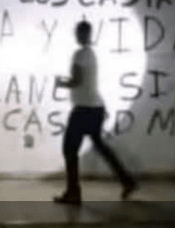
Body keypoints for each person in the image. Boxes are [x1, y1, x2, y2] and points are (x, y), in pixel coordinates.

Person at [54, 20, 138, 205]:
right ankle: (127, 181)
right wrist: (103, 105)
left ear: (80, 34)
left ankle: (73, 193)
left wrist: (60, 83)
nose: (77, 35)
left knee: (69, 149)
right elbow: (89, 82)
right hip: (95, 108)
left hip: (84, 109)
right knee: (101, 147)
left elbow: (77, 81)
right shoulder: (91, 54)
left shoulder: (80, 54)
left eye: (78, 32)